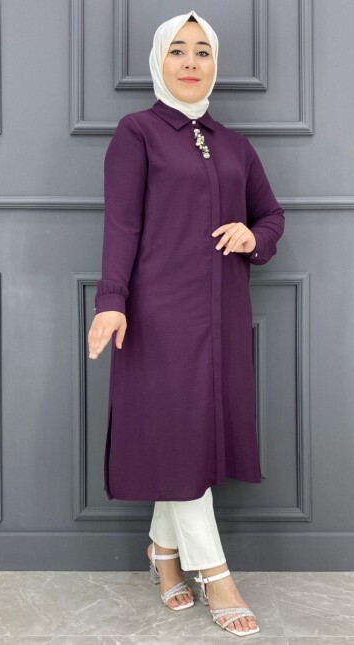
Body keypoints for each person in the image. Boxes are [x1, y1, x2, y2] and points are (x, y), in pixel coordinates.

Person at [88, 9, 285, 637]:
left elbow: (272, 216)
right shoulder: (138, 132)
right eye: (178, 50)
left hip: (222, 313)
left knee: (192, 438)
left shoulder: (234, 144)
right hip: (159, 315)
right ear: (159, 60)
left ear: (214, 63)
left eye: (202, 51)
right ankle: (216, 574)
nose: (191, 62)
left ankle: (163, 552)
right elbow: (121, 224)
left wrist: (253, 235)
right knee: (179, 435)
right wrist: (112, 300)